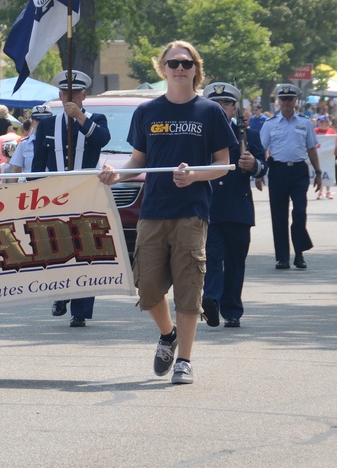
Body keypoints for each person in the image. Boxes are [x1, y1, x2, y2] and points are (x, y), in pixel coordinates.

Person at [98, 41, 234, 385]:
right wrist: (116, 175)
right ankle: (168, 335)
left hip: (191, 212)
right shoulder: (147, 112)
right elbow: (137, 162)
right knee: (147, 288)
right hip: (153, 211)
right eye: (173, 62)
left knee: (189, 290)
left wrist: (194, 176)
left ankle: (184, 361)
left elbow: (223, 164)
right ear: (163, 67)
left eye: (186, 63)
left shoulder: (210, 111)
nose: (179, 69)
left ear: (195, 68)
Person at [33, 71, 110, 328]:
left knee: (86, 250)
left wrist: (79, 116)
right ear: (59, 95)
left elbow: (101, 139)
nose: (70, 97)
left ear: (84, 95)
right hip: (55, 197)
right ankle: (60, 294)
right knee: (58, 248)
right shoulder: (46, 125)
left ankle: (80, 310)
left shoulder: (96, 119)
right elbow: (37, 166)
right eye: (65, 93)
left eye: (75, 93)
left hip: (87, 196)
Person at [200, 82, 268, 329]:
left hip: (238, 209)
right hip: (210, 206)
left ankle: (232, 310)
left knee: (236, 262)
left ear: (234, 108)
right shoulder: (201, 135)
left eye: (226, 104)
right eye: (215, 104)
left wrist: (254, 166)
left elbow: (263, 166)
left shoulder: (247, 136)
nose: (221, 108)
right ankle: (212, 302)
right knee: (213, 258)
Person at [259, 83, 322, 270]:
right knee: (279, 216)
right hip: (278, 171)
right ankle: (282, 258)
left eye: (290, 99)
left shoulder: (304, 123)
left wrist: (318, 172)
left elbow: (311, 148)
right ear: (278, 101)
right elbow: (261, 149)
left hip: (298, 171)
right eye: (283, 99)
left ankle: (299, 253)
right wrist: (259, 173)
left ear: (295, 101)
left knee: (300, 212)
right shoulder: (270, 124)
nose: (286, 103)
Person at [9, 105, 50, 176]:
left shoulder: (56, 142)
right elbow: (16, 169)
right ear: (33, 122)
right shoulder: (24, 144)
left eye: (44, 120)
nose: (41, 123)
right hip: (30, 184)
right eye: (38, 120)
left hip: (52, 182)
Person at [314, 114, 336, 200]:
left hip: (328, 156)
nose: (321, 123)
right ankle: (320, 192)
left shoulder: (331, 132)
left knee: (328, 172)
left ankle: (328, 191)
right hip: (318, 156)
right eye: (320, 122)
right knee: (320, 172)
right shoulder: (315, 131)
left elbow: (336, 143)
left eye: (323, 121)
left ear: (327, 122)